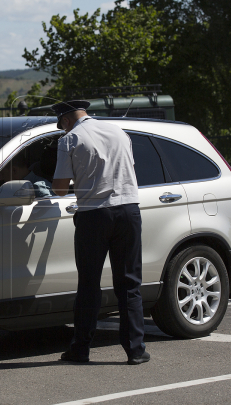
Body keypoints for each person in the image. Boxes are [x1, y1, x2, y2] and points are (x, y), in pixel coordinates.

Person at [51, 100, 149, 365]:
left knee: (89, 284)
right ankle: (135, 350)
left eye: (61, 126)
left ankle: (80, 349)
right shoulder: (119, 132)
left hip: (94, 215)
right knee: (129, 283)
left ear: (66, 121)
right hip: (129, 210)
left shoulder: (69, 139)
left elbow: (59, 189)